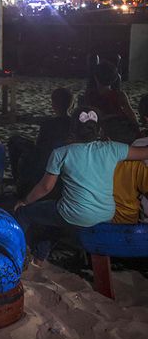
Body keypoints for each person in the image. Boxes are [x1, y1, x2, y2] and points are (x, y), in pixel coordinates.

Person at [14, 108, 148, 264]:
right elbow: (145, 152)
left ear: (72, 129)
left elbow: (45, 188)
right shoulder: (113, 149)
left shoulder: (61, 152)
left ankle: (17, 257)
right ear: (98, 130)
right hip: (106, 214)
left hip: (73, 214)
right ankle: (39, 256)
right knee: (56, 214)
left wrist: (25, 201)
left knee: (26, 213)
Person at [8, 87, 73, 197]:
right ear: (71, 104)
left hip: (47, 158)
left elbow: (40, 146)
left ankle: (18, 182)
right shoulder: (74, 124)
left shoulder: (48, 124)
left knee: (15, 142)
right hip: (64, 158)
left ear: (53, 104)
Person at [83, 61, 140, 143]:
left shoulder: (89, 96)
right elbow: (131, 114)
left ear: (95, 77)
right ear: (115, 78)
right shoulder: (119, 95)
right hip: (118, 129)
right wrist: (136, 128)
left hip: (101, 129)